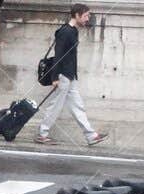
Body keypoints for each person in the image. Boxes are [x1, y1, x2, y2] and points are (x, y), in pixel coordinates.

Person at [36, 4, 107, 147]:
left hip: (70, 75)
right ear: (77, 15)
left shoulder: (73, 31)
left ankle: (91, 136)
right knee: (55, 106)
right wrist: (55, 77)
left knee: (77, 106)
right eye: (86, 16)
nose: (88, 19)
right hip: (63, 75)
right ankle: (42, 134)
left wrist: (72, 75)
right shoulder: (65, 31)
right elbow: (58, 55)